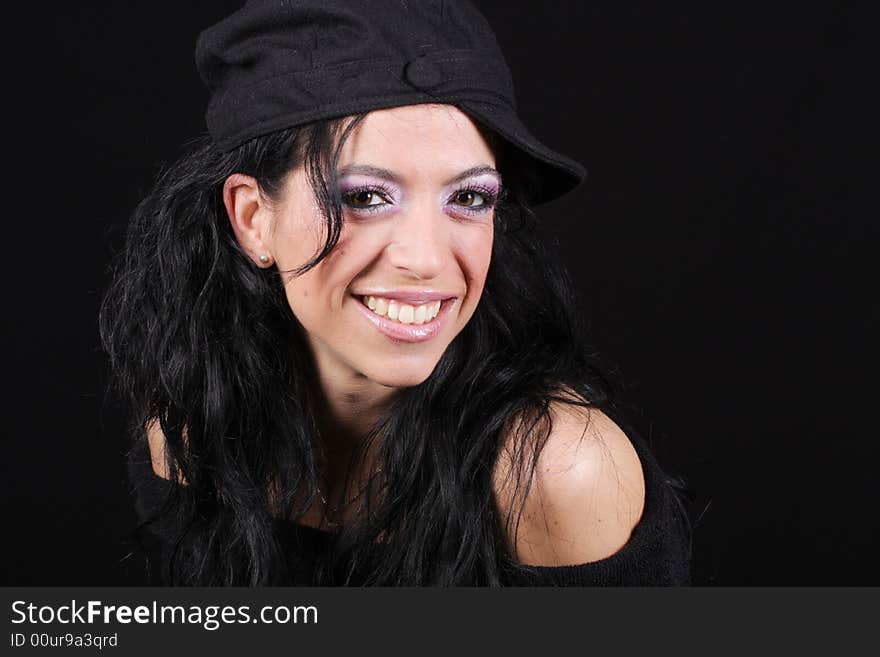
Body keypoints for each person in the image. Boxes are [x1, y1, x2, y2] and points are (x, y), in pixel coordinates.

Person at [100, 0, 691, 586]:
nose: (427, 259)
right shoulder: (196, 429)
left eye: (469, 198)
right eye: (364, 198)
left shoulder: (552, 471)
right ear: (254, 219)